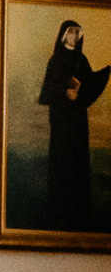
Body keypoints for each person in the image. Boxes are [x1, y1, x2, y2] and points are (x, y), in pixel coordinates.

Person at [39, 18, 110, 224]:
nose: (74, 36)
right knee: (62, 160)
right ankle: (59, 209)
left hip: (78, 119)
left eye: (77, 32)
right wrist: (65, 92)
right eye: (71, 32)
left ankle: (79, 210)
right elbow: (48, 90)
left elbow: (89, 85)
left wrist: (105, 72)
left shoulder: (81, 59)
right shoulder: (56, 60)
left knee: (78, 160)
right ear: (64, 34)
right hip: (62, 119)